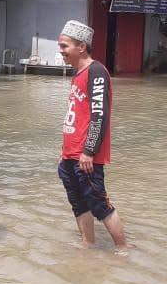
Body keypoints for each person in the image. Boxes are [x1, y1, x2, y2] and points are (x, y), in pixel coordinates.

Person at [56, 20, 131, 250]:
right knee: (78, 203)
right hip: (70, 156)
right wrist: (64, 154)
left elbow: (99, 115)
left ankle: (122, 248)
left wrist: (89, 150)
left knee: (99, 203)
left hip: (86, 157)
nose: (61, 52)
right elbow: (77, 116)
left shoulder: (96, 71)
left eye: (64, 46)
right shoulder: (77, 74)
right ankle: (87, 244)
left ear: (81, 46)